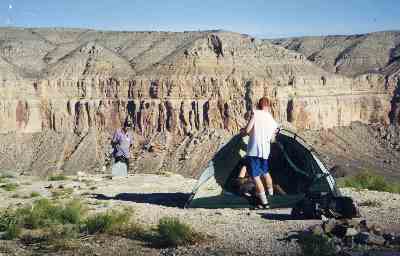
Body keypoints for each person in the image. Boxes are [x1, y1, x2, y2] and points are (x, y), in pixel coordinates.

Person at [240, 97, 279, 207]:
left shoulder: (255, 114)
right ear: (268, 106)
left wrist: (243, 131)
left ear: (258, 105)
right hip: (265, 152)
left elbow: (247, 130)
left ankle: (265, 202)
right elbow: (273, 139)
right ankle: (271, 197)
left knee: (256, 176)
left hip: (254, 151)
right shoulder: (271, 119)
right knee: (266, 173)